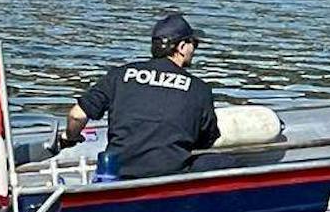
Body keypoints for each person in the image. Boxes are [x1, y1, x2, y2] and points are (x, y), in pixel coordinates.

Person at [58, 12, 220, 179]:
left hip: (118, 173)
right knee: (225, 162)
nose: (194, 49)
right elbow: (206, 139)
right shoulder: (199, 89)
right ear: (180, 47)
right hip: (169, 176)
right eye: (194, 43)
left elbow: (77, 115)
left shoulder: (120, 75)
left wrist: (71, 138)